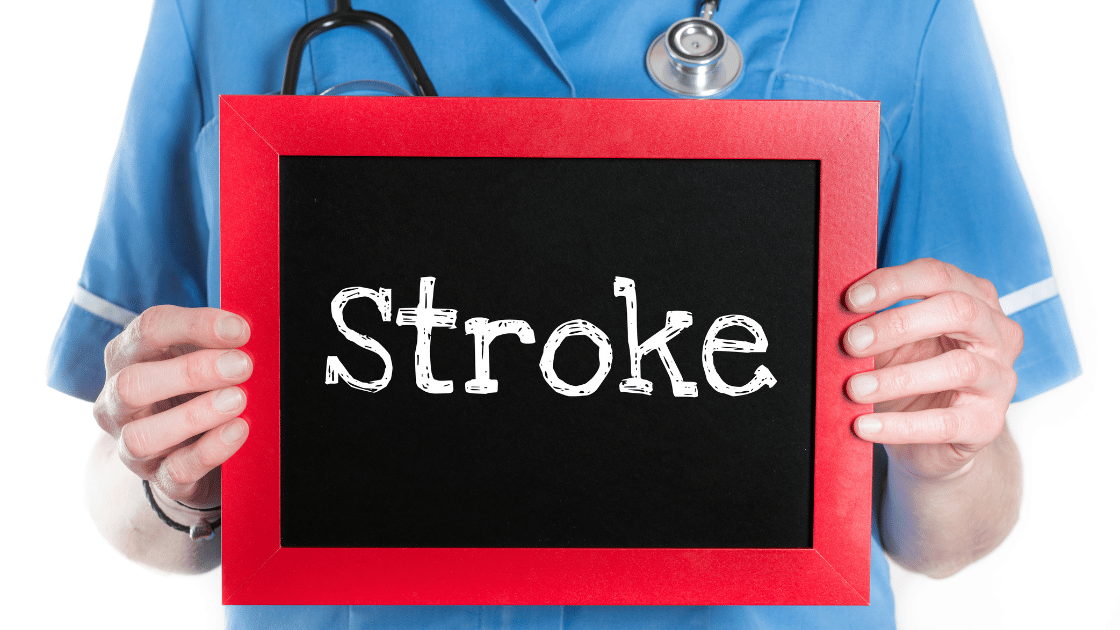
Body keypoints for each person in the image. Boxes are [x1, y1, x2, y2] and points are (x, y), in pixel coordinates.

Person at [49, 0, 1080, 628]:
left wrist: (950, 458)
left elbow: (943, 540)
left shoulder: (900, 11)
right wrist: (172, 480)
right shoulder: (221, 8)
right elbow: (138, 505)